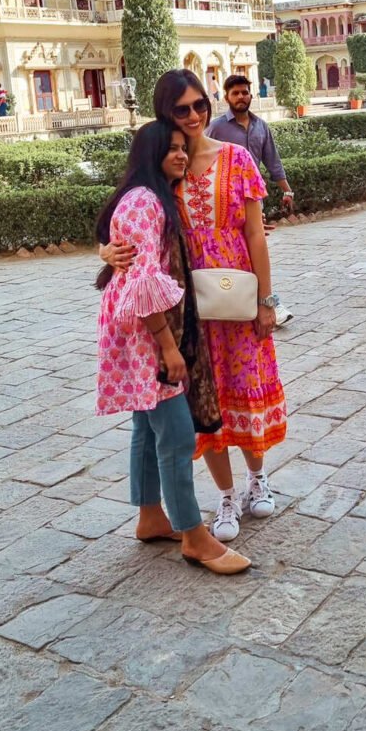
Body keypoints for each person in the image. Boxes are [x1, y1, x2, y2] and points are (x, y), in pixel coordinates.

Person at [102, 70, 287, 544]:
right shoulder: (168, 166)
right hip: (186, 306)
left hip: (237, 292)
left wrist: (267, 301)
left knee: (247, 384)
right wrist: (107, 250)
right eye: (181, 109)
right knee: (206, 397)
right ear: (166, 114)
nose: (193, 116)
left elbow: (255, 235)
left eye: (200, 105)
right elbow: (129, 218)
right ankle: (223, 495)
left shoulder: (238, 159)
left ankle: (257, 477)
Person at [94, 120, 250, 575]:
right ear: (151, 154)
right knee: (177, 433)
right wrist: (168, 347)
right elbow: (144, 282)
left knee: (147, 426)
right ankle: (194, 537)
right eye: (171, 149)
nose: (181, 155)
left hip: (135, 328)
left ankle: (150, 516)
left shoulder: (148, 195)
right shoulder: (146, 202)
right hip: (148, 333)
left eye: (184, 148)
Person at [207, 73, 295, 326]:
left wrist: (287, 190)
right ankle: (246, 304)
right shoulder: (216, 127)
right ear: (226, 98)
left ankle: (265, 304)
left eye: (244, 92)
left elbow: (273, 162)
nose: (241, 97)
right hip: (223, 204)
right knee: (236, 254)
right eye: (235, 93)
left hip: (252, 200)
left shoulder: (260, 126)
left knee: (255, 252)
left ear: (251, 94)